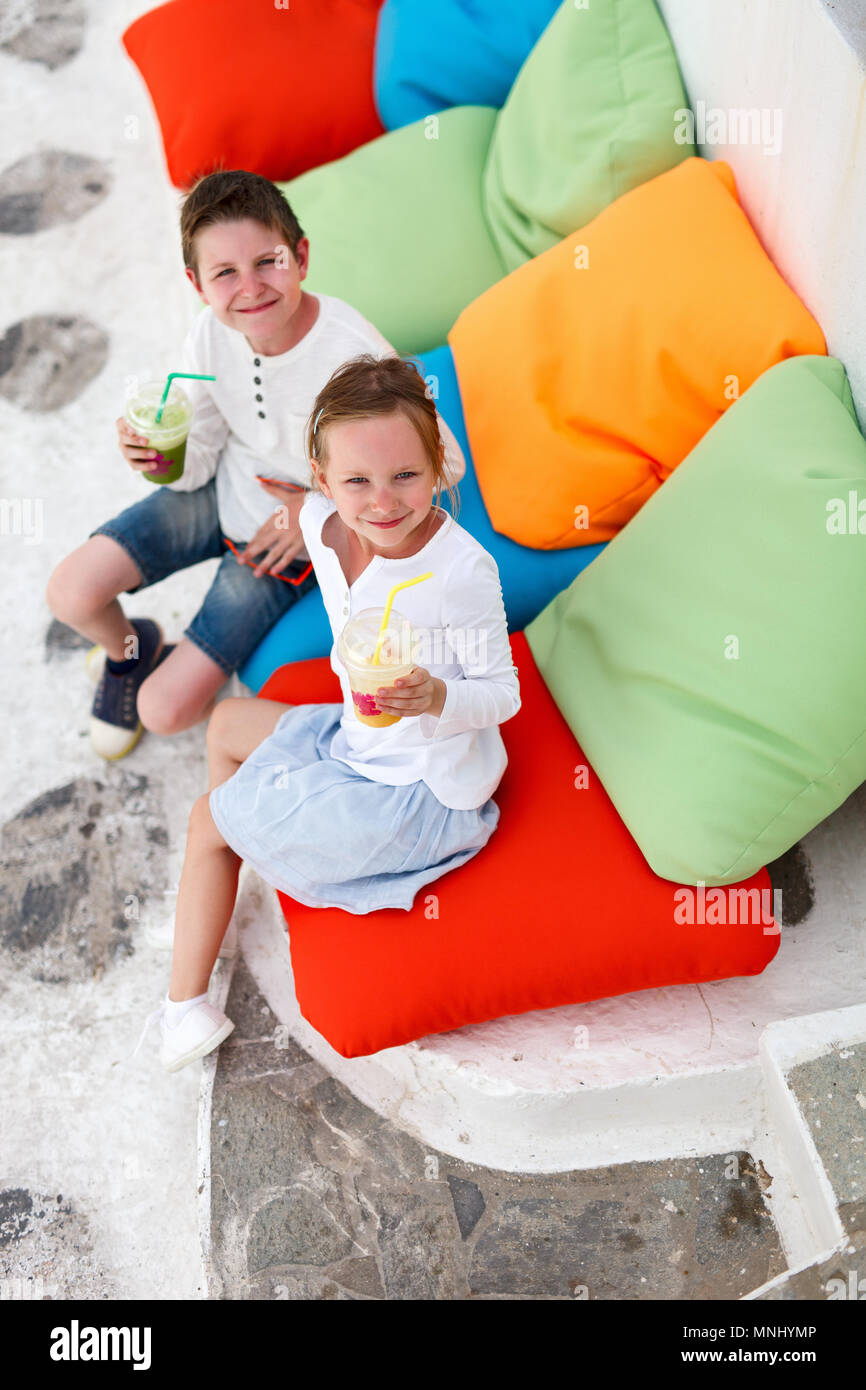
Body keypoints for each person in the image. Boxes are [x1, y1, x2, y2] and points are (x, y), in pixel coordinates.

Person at [135, 354, 521, 1071]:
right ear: (322, 480)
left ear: (439, 466)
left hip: (418, 793)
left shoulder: (461, 573)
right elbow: (296, 490)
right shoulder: (320, 520)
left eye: (406, 475)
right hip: (356, 741)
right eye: (357, 481)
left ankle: (183, 1011)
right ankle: (215, 893)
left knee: (204, 821)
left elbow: (503, 693)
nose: (382, 502)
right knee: (223, 724)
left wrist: (436, 696)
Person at [44, 169, 464, 760]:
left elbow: (446, 466)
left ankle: (152, 673)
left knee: (162, 711)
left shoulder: (353, 356)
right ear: (197, 283)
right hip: (218, 492)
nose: (251, 288)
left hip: (279, 549)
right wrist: (161, 460)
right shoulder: (210, 335)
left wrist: (319, 516)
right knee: (70, 593)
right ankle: (129, 651)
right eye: (225, 273)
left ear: (301, 256)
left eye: (268, 262)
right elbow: (203, 458)